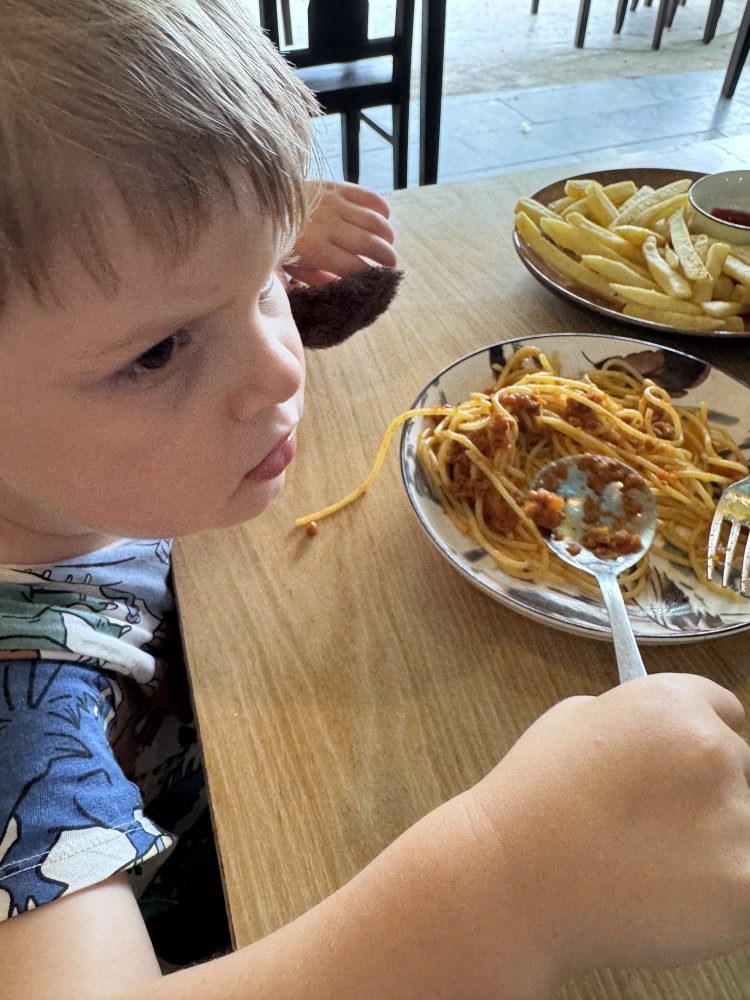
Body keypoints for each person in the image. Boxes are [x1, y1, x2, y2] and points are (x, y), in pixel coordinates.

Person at [0, 2, 749, 998]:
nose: (282, 368)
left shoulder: (66, 470)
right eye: (158, 350)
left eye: (268, 280)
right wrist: (514, 885)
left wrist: (232, 246)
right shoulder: (21, 707)